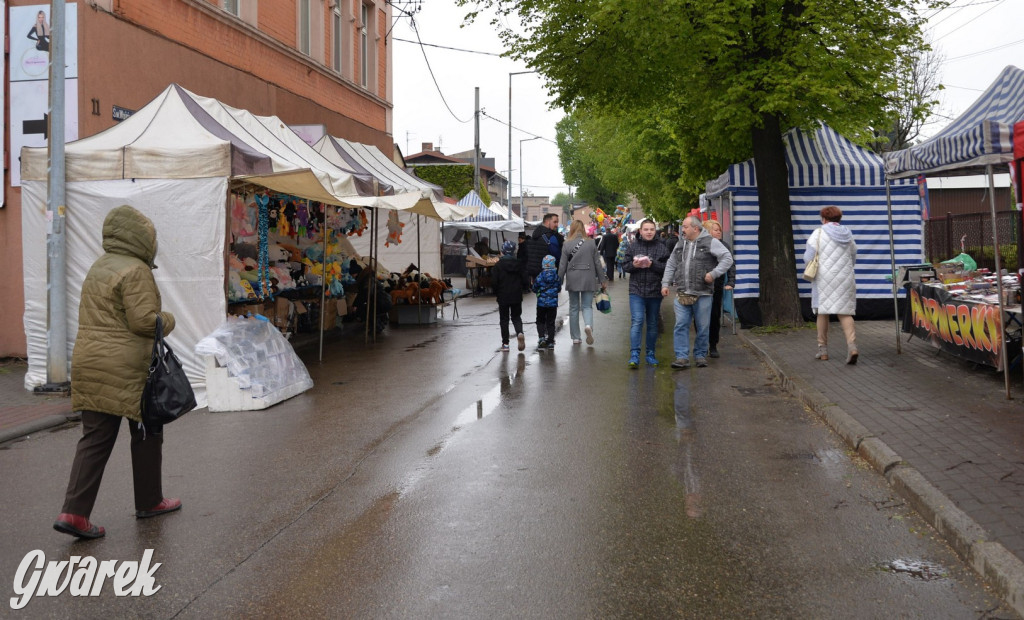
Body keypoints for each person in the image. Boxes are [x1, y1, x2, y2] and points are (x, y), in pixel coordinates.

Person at [54, 205, 182, 540]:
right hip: (127, 369)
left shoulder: (100, 266)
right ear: (142, 238)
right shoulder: (136, 269)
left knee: (94, 439)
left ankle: (73, 512)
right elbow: (143, 322)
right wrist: (168, 319)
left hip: (91, 362)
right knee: (146, 431)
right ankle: (150, 501)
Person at [661, 216, 733, 370]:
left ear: (695, 228)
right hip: (682, 292)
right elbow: (671, 263)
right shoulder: (680, 244)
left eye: (685, 227)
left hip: (703, 293)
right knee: (681, 324)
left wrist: (713, 274)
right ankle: (681, 357)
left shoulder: (710, 242)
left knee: (703, 326)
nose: (683, 230)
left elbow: (727, 258)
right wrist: (665, 283)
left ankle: (700, 354)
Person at [804, 205, 858, 364]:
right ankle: (852, 347)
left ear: (824, 218)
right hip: (845, 277)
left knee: (822, 311)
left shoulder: (818, 233)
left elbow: (808, 257)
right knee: (845, 312)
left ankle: (823, 350)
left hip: (823, 278)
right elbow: (853, 255)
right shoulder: (848, 234)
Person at [622, 219, 669, 368]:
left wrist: (652, 264)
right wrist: (634, 265)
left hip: (655, 291)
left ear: (655, 231)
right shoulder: (633, 246)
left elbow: (667, 269)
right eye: (646, 229)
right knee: (637, 320)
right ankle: (634, 355)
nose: (649, 232)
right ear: (640, 231)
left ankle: (650, 354)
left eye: (651, 229)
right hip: (636, 290)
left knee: (653, 323)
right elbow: (625, 266)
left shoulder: (662, 248)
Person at [559, 220, 608, 345]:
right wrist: (602, 279)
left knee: (574, 308)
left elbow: (562, 264)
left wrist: (558, 281)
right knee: (587, 306)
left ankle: (576, 337)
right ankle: (588, 326)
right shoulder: (591, 243)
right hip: (588, 277)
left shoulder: (566, 244)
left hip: (573, 278)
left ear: (572, 229)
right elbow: (597, 263)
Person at [702, 220, 735, 358]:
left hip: (716, 286)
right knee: (701, 317)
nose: (718, 232)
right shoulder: (702, 246)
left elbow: (731, 265)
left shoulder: (724, 245)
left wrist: (731, 282)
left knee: (714, 316)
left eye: (719, 230)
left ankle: (713, 344)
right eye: (715, 229)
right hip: (701, 286)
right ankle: (702, 346)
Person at [493, 240, 528, 352]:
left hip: (503, 296)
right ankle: (520, 333)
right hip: (516, 295)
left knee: (504, 319)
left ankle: (506, 344)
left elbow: (494, 282)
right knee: (516, 317)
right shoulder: (519, 264)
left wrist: (496, 292)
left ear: (503, 251)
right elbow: (525, 280)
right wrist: (523, 288)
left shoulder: (498, 265)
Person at [532, 255, 561, 349]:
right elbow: (559, 288)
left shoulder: (540, 276)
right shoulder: (556, 277)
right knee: (550, 322)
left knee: (540, 321)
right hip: (552, 304)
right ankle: (551, 341)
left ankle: (541, 338)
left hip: (541, 304)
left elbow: (534, 288)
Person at [525, 213, 563, 279]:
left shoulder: (534, 236)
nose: (557, 225)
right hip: (548, 275)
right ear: (548, 222)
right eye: (555, 222)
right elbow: (558, 256)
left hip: (534, 274)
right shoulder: (551, 238)